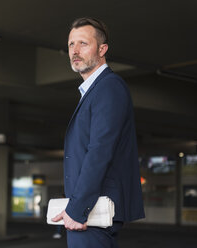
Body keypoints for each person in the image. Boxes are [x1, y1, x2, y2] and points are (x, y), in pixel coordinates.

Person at [51, 17, 145, 247]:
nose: (75, 50)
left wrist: (77, 209)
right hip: (89, 210)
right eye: (71, 44)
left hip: (92, 211)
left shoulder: (109, 87)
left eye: (83, 43)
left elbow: (100, 151)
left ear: (102, 49)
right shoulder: (94, 90)